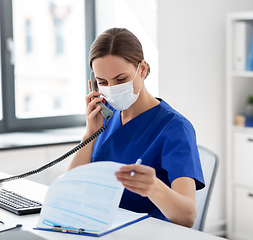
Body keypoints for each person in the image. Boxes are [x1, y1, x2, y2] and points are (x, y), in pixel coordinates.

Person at [67, 27, 204, 228]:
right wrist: (90, 133)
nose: (112, 88)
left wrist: (153, 187)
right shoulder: (104, 117)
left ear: (142, 69)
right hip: (102, 227)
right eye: (103, 82)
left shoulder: (174, 128)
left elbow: (187, 216)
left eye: (121, 79)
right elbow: (70, 187)